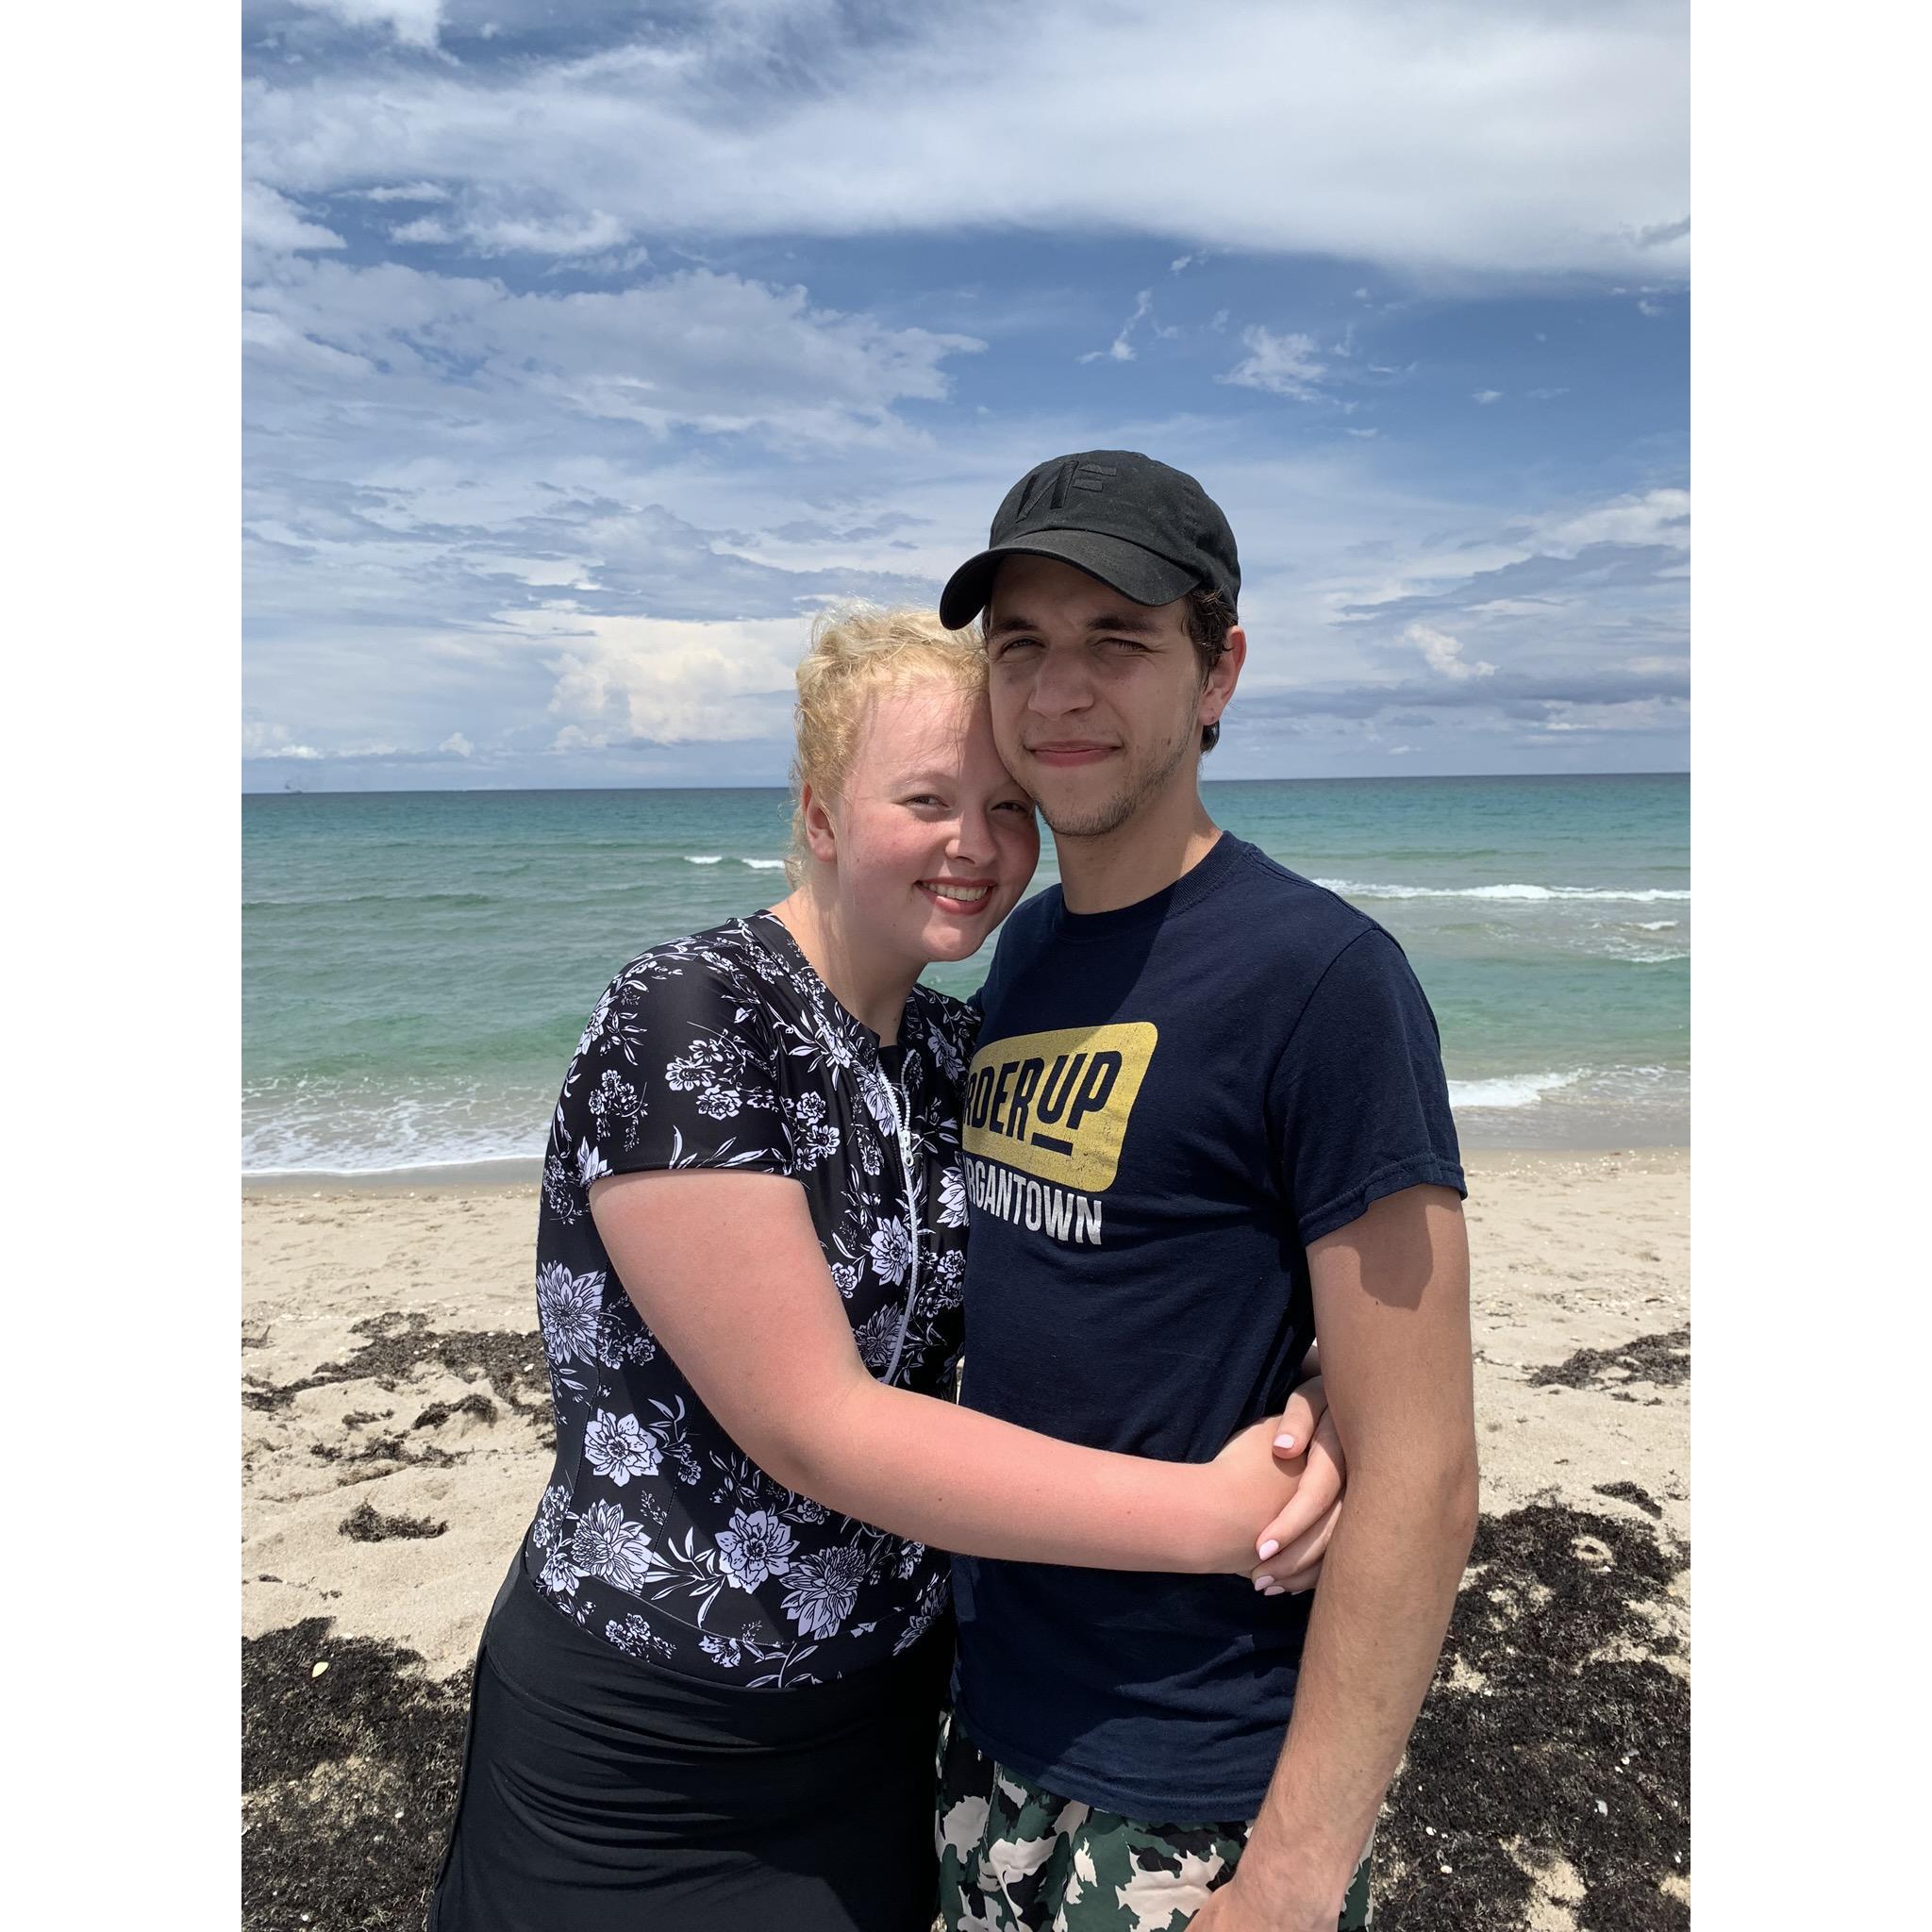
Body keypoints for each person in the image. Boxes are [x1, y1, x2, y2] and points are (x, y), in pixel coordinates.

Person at [428, 607, 1348, 1932]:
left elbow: (1148, 1257)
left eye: (1006, 807)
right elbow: (817, 1426)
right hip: (653, 1743)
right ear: (821, 814)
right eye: (925, 801)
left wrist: (1319, 1392)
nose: (975, 844)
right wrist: (1221, 1520)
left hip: (890, 1716)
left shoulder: (957, 1053)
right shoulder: (688, 1018)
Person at [932, 451, 1478, 1932]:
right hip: (992, 1727)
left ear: (1217, 670)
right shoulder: (1025, 952)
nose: (1058, 691)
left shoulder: (1326, 979)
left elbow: (1424, 1471)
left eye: (1117, 641)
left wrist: (1292, 1877)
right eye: (1021, 647)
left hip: (1195, 1787)